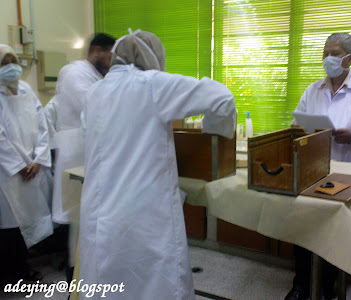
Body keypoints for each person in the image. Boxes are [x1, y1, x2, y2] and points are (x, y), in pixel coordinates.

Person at [79, 29, 236, 300]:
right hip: (143, 214)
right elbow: (221, 97)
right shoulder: (151, 84)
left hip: (99, 211)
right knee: (154, 282)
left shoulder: (94, 92)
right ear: (152, 57)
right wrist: (216, 133)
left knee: (106, 280)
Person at [286, 33, 351, 300]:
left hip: (349, 172)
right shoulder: (313, 90)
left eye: (334, 53)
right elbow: (298, 123)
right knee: (304, 227)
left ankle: (327, 288)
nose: (328, 59)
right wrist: (298, 129)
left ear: (349, 58)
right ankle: (301, 284)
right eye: (325, 53)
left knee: (336, 232)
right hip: (314, 172)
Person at [44, 33, 116, 283]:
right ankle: (75, 283)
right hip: (76, 160)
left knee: (92, 224)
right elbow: (95, 106)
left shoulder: (97, 76)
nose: (111, 62)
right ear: (96, 50)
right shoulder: (74, 72)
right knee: (79, 225)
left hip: (91, 158)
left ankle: (93, 278)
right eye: (109, 56)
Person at [0, 44, 53, 285]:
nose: (11, 66)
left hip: (32, 168)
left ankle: (23, 269)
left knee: (28, 221)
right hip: (7, 173)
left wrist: (39, 159)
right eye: (5, 62)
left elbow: (43, 127)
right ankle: (10, 273)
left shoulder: (27, 89)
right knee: (8, 227)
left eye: (13, 60)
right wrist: (19, 165)